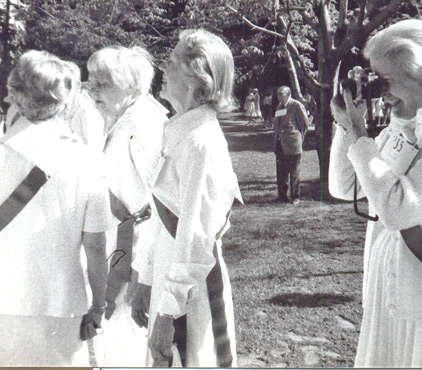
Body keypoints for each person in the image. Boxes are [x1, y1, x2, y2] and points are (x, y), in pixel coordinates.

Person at [329, 19, 422, 368]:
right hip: (386, 301)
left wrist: (361, 135)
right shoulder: (405, 126)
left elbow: (398, 208)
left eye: (388, 79)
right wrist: (346, 127)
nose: (381, 91)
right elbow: (343, 186)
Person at [131, 28, 242, 367]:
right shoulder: (180, 130)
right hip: (168, 279)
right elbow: (161, 216)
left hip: (190, 289)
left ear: (198, 76)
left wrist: (169, 311)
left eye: (172, 61)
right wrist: (146, 280)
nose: (163, 68)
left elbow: (195, 237)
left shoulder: (201, 141)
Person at [0, 50, 112, 366]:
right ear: (66, 100)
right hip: (64, 304)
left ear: (14, 94)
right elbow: (95, 246)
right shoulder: (89, 161)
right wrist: (99, 305)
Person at [87, 45, 168, 367]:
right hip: (119, 248)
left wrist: (142, 275)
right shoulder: (123, 118)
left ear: (132, 85)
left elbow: (161, 205)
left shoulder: (142, 124)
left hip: (136, 253)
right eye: (91, 78)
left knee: (129, 347)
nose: (91, 87)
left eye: (103, 81)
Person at [273, 85, 309, 204]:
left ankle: (295, 197)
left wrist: (298, 138)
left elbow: (304, 124)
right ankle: (282, 197)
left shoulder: (296, 105)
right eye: (278, 93)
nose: (278, 96)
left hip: (293, 143)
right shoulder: (279, 107)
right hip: (280, 144)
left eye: (281, 94)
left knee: (294, 172)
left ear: (288, 94)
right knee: (281, 172)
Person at [64, 61, 105, 151]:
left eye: (67, 85)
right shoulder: (62, 108)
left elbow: (94, 155)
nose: (62, 91)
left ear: (78, 85)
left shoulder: (87, 114)